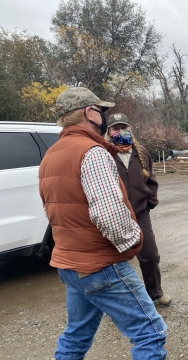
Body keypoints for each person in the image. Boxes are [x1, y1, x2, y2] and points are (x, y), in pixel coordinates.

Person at [38, 87, 167, 359]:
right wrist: (133, 242)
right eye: (101, 111)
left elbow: (51, 209)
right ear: (89, 113)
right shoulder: (93, 152)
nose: (103, 116)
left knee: (76, 335)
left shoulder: (50, 155)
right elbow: (109, 216)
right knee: (150, 332)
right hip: (99, 265)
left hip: (69, 263)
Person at [105, 113, 172, 306]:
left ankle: (155, 293)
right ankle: (118, 301)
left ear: (130, 129)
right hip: (115, 216)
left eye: (123, 127)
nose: (120, 132)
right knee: (114, 260)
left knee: (150, 255)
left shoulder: (140, 152)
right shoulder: (103, 153)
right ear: (109, 132)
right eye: (115, 128)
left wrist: (149, 201)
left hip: (140, 213)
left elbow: (151, 180)